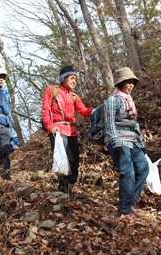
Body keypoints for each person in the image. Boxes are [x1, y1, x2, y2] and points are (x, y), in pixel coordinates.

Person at [104, 67, 149, 221]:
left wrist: (142, 145)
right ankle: (124, 210)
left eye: (133, 83)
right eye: (128, 82)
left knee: (144, 168)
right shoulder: (112, 99)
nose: (131, 85)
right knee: (128, 172)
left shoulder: (130, 101)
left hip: (132, 139)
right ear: (121, 83)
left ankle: (130, 204)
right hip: (117, 139)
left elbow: (135, 124)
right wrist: (116, 142)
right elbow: (110, 123)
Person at [41, 65, 93, 192]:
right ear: (63, 79)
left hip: (72, 132)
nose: (74, 81)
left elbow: (84, 111)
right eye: (71, 78)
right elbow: (45, 110)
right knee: (65, 160)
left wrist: (96, 110)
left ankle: (69, 188)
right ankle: (63, 189)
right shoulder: (51, 91)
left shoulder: (74, 96)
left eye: (75, 78)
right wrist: (50, 126)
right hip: (57, 131)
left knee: (75, 161)